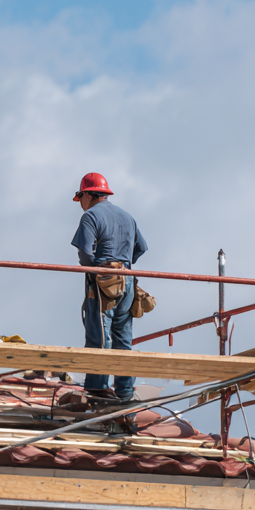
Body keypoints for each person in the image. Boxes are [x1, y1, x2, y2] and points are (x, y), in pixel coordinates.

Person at [71, 172, 148, 401]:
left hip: (104, 283)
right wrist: (122, 262)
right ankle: (124, 392)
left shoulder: (91, 217)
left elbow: (85, 252)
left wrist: (96, 270)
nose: (80, 205)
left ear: (87, 194)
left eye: (80, 198)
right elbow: (141, 247)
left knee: (99, 336)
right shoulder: (127, 216)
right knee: (123, 339)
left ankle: (97, 389)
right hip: (128, 282)